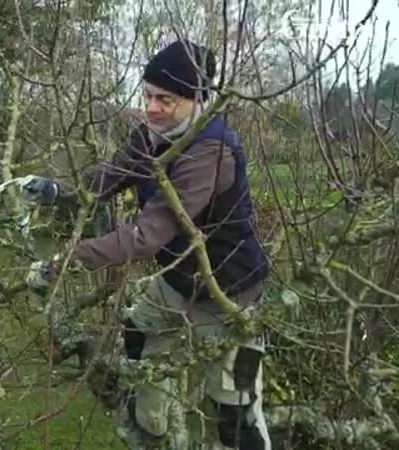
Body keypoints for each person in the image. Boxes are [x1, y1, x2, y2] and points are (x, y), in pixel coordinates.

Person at [21, 40, 271, 449]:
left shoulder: (212, 154)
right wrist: (55, 191)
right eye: (148, 96)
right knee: (137, 334)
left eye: (165, 100)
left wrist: (67, 261)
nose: (152, 108)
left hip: (230, 296)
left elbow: (146, 235)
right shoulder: (150, 136)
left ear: (197, 99)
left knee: (236, 415)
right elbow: (108, 177)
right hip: (177, 279)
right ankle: (152, 432)